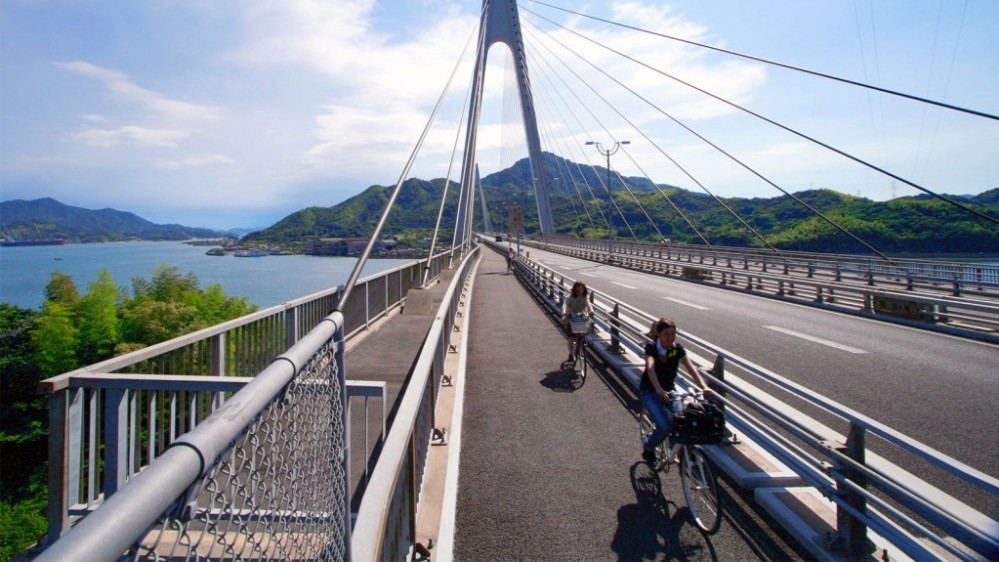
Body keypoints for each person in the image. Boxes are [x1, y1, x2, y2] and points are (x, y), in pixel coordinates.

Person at [640, 317, 713, 464]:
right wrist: (658, 389)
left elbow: (690, 368)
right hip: (650, 390)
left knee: (681, 420)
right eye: (666, 334)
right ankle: (648, 447)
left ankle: (680, 451)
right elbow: (650, 367)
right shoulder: (652, 348)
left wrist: (703, 386)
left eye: (673, 333)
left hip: (669, 390)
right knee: (665, 426)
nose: (670, 337)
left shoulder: (676, 349)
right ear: (659, 335)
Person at [561, 281, 592, 361]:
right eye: (578, 288)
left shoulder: (585, 297)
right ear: (574, 289)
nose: (580, 290)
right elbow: (565, 305)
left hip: (581, 318)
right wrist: (564, 312)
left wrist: (591, 310)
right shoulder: (571, 297)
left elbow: (589, 305)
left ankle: (581, 345)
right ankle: (571, 354)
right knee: (571, 338)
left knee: (583, 334)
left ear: (584, 289)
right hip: (572, 318)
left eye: (581, 288)